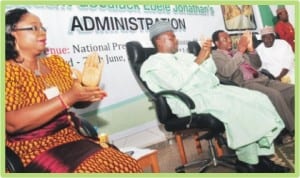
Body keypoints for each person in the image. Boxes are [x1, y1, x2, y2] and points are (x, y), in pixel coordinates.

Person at [5, 8, 142, 173]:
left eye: (43, 27)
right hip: (32, 150)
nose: (42, 32)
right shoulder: (7, 71)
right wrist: (68, 97)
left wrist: (86, 93)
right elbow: (12, 123)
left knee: (127, 166)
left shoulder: (55, 63)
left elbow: (77, 101)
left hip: (71, 138)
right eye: (33, 28)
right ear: (11, 33)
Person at [140, 21, 289, 173]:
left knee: (257, 98)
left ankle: (260, 156)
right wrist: (198, 60)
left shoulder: (183, 57)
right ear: (159, 40)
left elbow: (209, 72)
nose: (176, 40)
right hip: (191, 100)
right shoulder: (152, 64)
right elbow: (174, 84)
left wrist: (207, 56)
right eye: (172, 37)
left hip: (212, 91)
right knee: (239, 109)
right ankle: (249, 162)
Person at [211, 30, 294, 142]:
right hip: (246, 84)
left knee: (292, 90)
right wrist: (240, 52)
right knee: (275, 95)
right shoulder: (216, 56)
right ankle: (292, 129)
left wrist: (251, 50)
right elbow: (226, 72)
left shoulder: (236, 51)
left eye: (229, 38)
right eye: (224, 39)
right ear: (217, 43)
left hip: (262, 78)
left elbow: (257, 65)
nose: (229, 40)